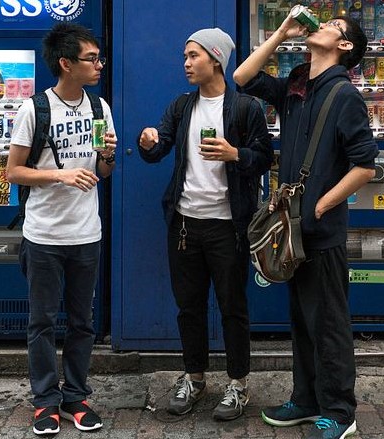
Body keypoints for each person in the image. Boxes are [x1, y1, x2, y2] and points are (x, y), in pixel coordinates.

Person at [233, 13, 378, 439]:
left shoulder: (344, 95)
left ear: (345, 45)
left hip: (321, 229)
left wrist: (321, 205)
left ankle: (339, 411)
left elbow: (365, 166)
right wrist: (281, 33)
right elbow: (243, 76)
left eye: (333, 24)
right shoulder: (296, 87)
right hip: (292, 229)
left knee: (328, 322)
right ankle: (306, 398)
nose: (322, 24)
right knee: (301, 318)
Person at [138, 28, 273, 421]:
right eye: (185, 56)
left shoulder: (245, 108)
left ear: (215, 59)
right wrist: (147, 141)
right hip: (184, 224)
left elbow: (264, 158)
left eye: (193, 56)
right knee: (189, 307)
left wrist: (235, 154)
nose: (186, 63)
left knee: (233, 308)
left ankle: (238, 384)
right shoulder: (182, 107)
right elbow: (159, 146)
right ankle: (194, 378)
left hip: (228, 226)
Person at [6, 22, 116, 436]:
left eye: (99, 58)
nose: (99, 64)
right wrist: (61, 175)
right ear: (66, 64)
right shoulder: (34, 109)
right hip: (44, 235)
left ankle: (76, 396)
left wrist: (106, 158)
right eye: (91, 59)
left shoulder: (100, 108)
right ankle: (45, 401)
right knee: (42, 322)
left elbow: (102, 171)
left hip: (87, 233)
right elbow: (14, 172)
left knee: (82, 322)